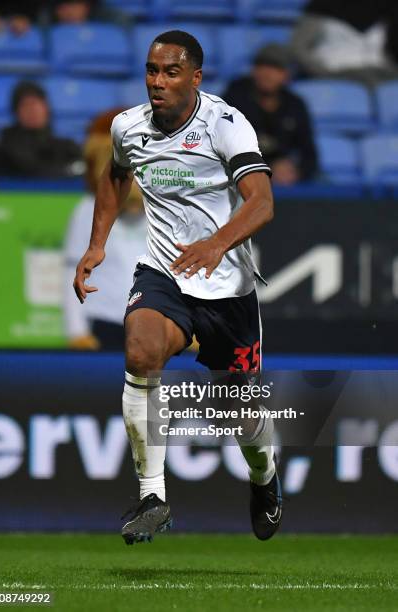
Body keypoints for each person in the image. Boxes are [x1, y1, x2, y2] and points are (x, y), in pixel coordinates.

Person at [73, 30, 282, 544]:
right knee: (141, 351)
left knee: (240, 414)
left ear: (195, 77)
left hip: (227, 287)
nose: (157, 82)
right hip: (164, 272)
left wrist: (216, 244)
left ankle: (265, 480)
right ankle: (152, 497)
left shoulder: (226, 125)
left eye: (170, 72)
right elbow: (115, 177)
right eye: (151, 71)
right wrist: (96, 245)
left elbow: (261, 202)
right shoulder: (128, 127)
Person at [64, 110, 147, 350]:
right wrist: (76, 331)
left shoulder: (162, 205)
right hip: (105, 320)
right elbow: (73, 270)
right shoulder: (87, 210)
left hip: (153, 320)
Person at [222, 44, 318, 185]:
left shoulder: (295, 105)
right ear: (253, 71)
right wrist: (267, 168)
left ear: (286, 75)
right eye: (261, 66)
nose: (267, 74)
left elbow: (309, 154)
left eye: (276, 68)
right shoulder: (236, 95)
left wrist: (296, 171)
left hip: (283, 181)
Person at [291, 0, 398, 86]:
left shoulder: (389, 7)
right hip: (334, 76)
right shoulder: (319, 6)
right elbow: (298, 48)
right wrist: (322, 73)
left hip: (381, 75)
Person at [0, 81, 83, 178]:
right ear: (16, 112)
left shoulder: (66, 147)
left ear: (47, 108)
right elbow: (30, 169)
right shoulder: (7, 147)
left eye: (37, 103)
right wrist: (68, 170)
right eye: (26, 105)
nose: (33, 110)